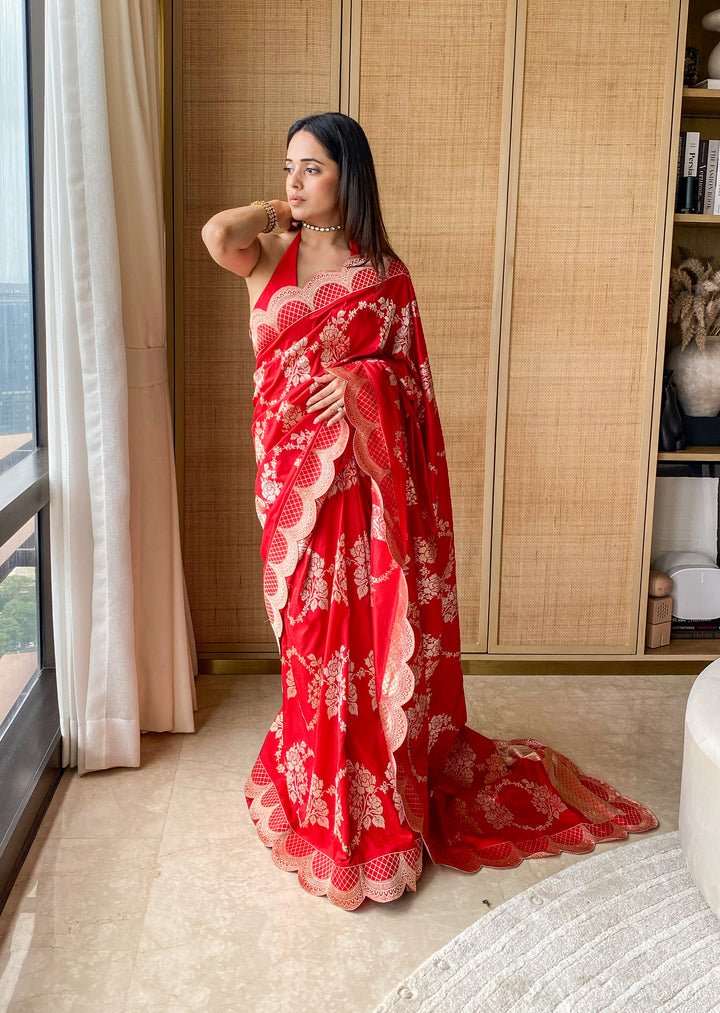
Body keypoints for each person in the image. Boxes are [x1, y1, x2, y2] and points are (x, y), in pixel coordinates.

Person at [202, 112, 658, 911]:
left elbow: (415, 399)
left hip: (366, 502)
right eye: (289, 167)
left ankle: (375, 805)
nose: (295, 181)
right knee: (310, 643)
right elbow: (216, 233)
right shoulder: (267, 254)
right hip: (292, 491)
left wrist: (361, 386)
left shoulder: (387, 277)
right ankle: (318, 793)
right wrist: (279, 209)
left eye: (312, 168)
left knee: (368, 648)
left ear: (352, 174)